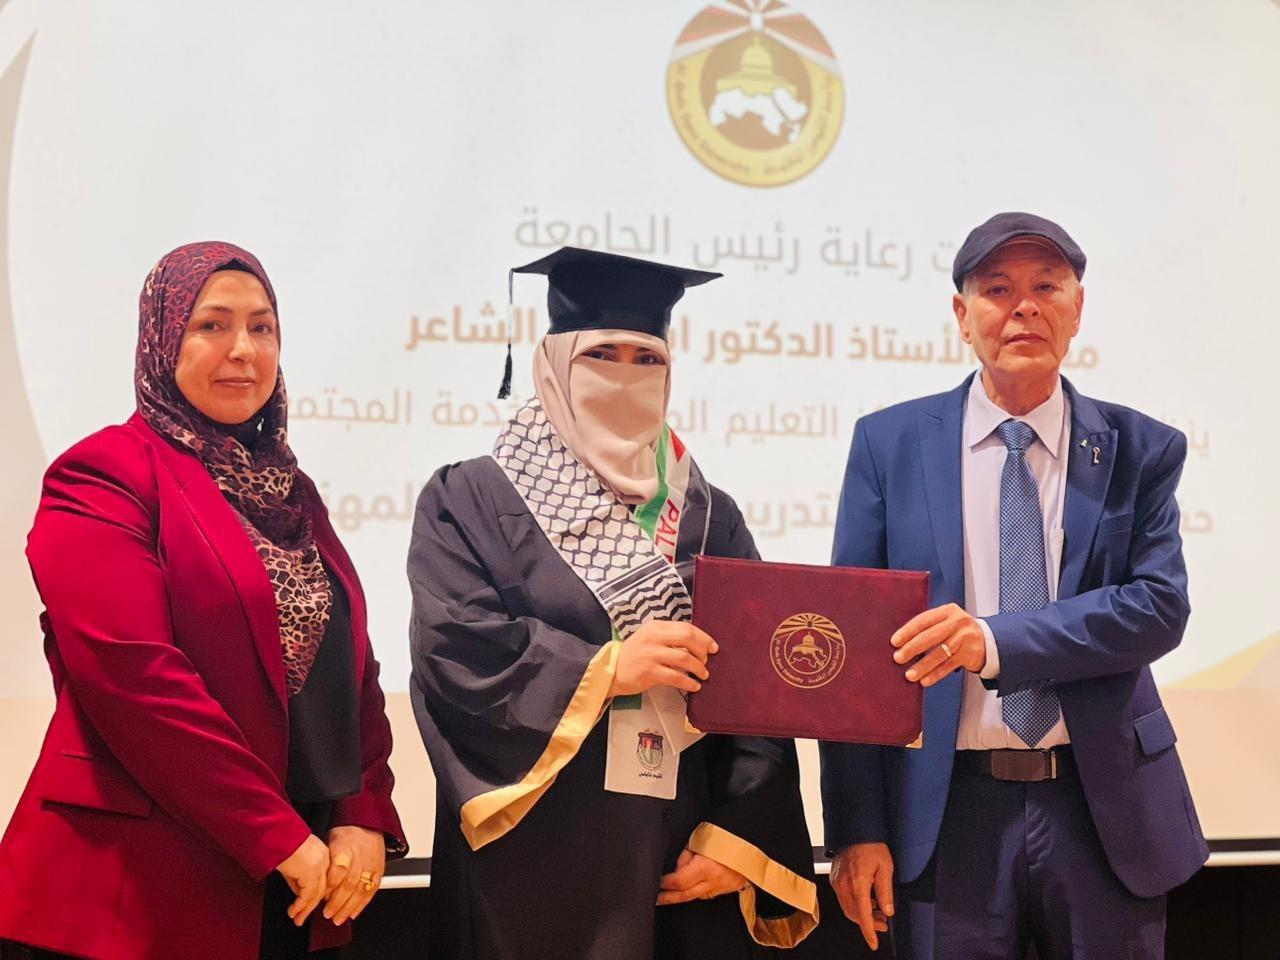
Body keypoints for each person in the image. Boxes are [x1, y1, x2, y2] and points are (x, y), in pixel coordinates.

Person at [408, 247, 818, 960]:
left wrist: (738, 836)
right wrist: (607, 669)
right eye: (601, 354)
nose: (625, 375)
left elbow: (759, 690)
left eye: (646, 358)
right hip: (531, 860)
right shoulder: (468, 498)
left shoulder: (708, 512)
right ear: (555, 363)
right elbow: (454, 649)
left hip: (680, 855)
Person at [0, 242, 406, 960]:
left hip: (300, 883)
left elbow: (353, 669)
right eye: (211, 325)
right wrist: (274, 833)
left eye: (262, 327)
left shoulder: (291, 491)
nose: (243, 349)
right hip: (137, 892)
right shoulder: (102, 474)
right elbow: (134, 677)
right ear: (162, 339)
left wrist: (363, 811)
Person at [819, 213, 1208, 960]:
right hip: (945, 814)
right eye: (997, 289)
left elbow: (1158, 608)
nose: (1023, 307)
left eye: (1045, 288)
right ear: (962, 316)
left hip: (1101, 811)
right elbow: (851, 647)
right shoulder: (889, 444)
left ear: (1077, 309)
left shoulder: (1141, 449)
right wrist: (857, 828)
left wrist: (991, 641)